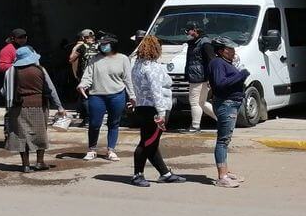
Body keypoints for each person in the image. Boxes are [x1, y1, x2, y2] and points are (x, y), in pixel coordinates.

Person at [130, 35, 186, 187]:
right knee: (147, 143)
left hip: (142, 107)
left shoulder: (136, 66)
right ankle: (138, 174)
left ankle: (164, 173)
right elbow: (156, 92)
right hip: (154, 109)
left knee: (151, 142)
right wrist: (161, 114)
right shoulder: (153, 68)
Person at [2, 46, 66, 173]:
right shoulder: (40, 70)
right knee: (40, 134)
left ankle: (25, 165)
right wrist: (59, 106)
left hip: (17, 107)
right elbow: (51, 89)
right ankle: (40, 162)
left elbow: (3, 91)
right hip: (39, 106)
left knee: (21, 136)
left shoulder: (10, 72)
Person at [78, 34, 136, 162]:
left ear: (113, 44)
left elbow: (128, 79)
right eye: (102, 44)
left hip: (117, 95)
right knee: (94, 124)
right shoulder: (94, 59)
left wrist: (132, 96)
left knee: (114, 123)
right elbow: (88, 75)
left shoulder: (123, 59)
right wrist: (82, 85)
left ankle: (111, 150)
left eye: (106, 44)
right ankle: (92, 149)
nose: (103, 46)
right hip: (96, 96)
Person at [207, 37, 248, 188]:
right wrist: (240, 76)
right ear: (221, 50)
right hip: (226, 104)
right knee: (223, 141)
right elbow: (220, 83)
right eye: (229, 49)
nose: (233, 51)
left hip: (231, 104)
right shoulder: (217, 63)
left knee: (226, 140)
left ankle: (225, 171)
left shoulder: (224, 63)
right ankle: (222, 176)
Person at [184, 21, 217, 133]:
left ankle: (195, 126)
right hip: (199, 76)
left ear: (195, 30)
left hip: (198, 77)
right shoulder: (195, 42)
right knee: (202, 103)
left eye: (188, 30)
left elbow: (211, 61)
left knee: (194, 102)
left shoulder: (204, 43)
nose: (187, 33)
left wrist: (210, 78)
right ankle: (222, 120)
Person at [68, 29, 98, 126]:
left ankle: (87, 119)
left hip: (85, 76)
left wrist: (76, 47)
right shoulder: (99, 46)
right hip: (97, 76)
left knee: (85, 97)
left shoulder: (81, 47)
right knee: (96, 97)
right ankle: (94, 118)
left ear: (82, 38)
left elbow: (71, 59)